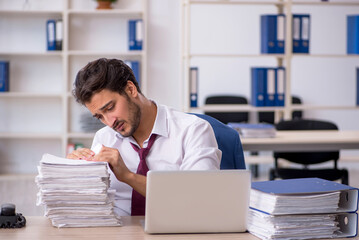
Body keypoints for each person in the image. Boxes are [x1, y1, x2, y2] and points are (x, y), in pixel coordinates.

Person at [67, 58, 221, 216]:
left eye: (110, 108)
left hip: (176, 230)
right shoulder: (104, 138)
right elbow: (92, 204)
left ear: (130, 89)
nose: (109, 122)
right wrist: (74, 174)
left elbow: (199, 198)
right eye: (99, 117)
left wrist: (128, 176)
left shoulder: (193, 130)